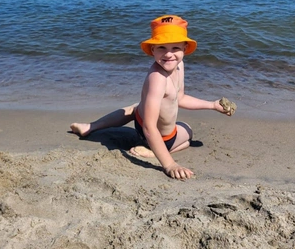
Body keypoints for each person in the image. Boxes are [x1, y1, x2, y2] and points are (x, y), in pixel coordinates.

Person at [70, 15, 236, 180]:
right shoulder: (157, 78)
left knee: (137, 106)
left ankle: (91, 126)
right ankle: (155, 151)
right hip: (158, 136)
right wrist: (170, 165)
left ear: (185, 49)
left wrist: (212, 105)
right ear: (152, 50)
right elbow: (150, 127)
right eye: (162, 47)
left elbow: (181, 98)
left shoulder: (179, 66)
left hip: (140, 122)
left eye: (175, 48)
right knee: (187, 130)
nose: (169, 54)